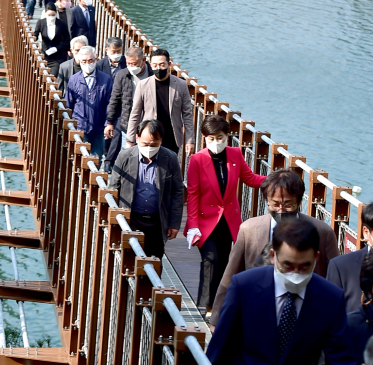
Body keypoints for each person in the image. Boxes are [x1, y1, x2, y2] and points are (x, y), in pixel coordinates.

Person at [206, 218, 356, 365]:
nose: (295, 274)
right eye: (287, 265)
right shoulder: (245, 286)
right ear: (273, 255)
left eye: (305, 267)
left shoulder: (330, 298)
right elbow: (219, 351)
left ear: (316, 258)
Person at [209, 169, 339, 327]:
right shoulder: (249, 230)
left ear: (299, 203)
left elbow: (334, 280)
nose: (281, 211)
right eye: (275, 205)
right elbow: (230, 276)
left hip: (306, 315)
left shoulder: (323, 232)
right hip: (257, 311)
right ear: (267, 201)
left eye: (288, 205)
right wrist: (216, 321)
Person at [185, 115, 265, 313]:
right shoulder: (197, 159)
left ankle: (218, 305)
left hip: (228, 220)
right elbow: (192, 195)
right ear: (204, 138)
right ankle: (206, 305)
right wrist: (193, 224)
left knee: (224, 262)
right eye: (211, 138)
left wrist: (276, 178)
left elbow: (250, 178)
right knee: (210, 259)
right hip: (204, 221)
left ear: (227, 137)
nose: (216, 142)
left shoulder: (236, 154)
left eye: (220, 137)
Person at [107, 119, 183, 259]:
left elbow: (177, 192)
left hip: (157, 221)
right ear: (137, 138)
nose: (149, 148)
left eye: (154, 144)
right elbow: (113, 188)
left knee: (154, 261)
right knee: (128, 260)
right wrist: (114, 220)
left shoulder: (170, 158)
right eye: (145, 144)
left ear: (161, 141)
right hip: (131, 218)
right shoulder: (124, 156)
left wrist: (174, 223)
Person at [126, 48, 194, 158]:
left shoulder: (181, 85)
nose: (158, 68)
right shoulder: (143, 85)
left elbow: (187, 114)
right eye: (155, 65)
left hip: (172, 137)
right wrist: (130, 139)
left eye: (162, 65)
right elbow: (135, 114)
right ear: (150, 65)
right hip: (149, 136)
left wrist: (190, 140)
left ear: (169, 64)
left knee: (167, 170)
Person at [104, 46, 151, 164]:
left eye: (134, 63)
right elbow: (115, 98)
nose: (131, 66)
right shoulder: (122, 75)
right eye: (128, 63)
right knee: (127, 157)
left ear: (143, 61)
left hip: (147, 123)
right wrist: (110, 122)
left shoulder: (152, 75)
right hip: (127, 122)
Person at [65, 46, 113, 160]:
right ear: (79, 61)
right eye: (84, 61)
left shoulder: (106, 79)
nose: (87, 64)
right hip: (80, 127)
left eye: (90, 60)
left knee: (97, 159)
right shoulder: (73, 79)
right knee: (81, 159)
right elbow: (69, 104)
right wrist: (70, 126)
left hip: (98, 128)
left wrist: (108, 123)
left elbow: (110, 104)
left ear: (96, 60)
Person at [33, 0, 70, 77]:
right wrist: (33, 39)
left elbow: (67, 40)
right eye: (49, 15)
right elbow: (35, 34)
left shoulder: (61, 24)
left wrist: (57, 48)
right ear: (45, 13)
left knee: (53, 76)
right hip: (44, 55)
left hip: (57, 56)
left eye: (53, 15)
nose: (51, 17)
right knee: (41, 76)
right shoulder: (40, 23)